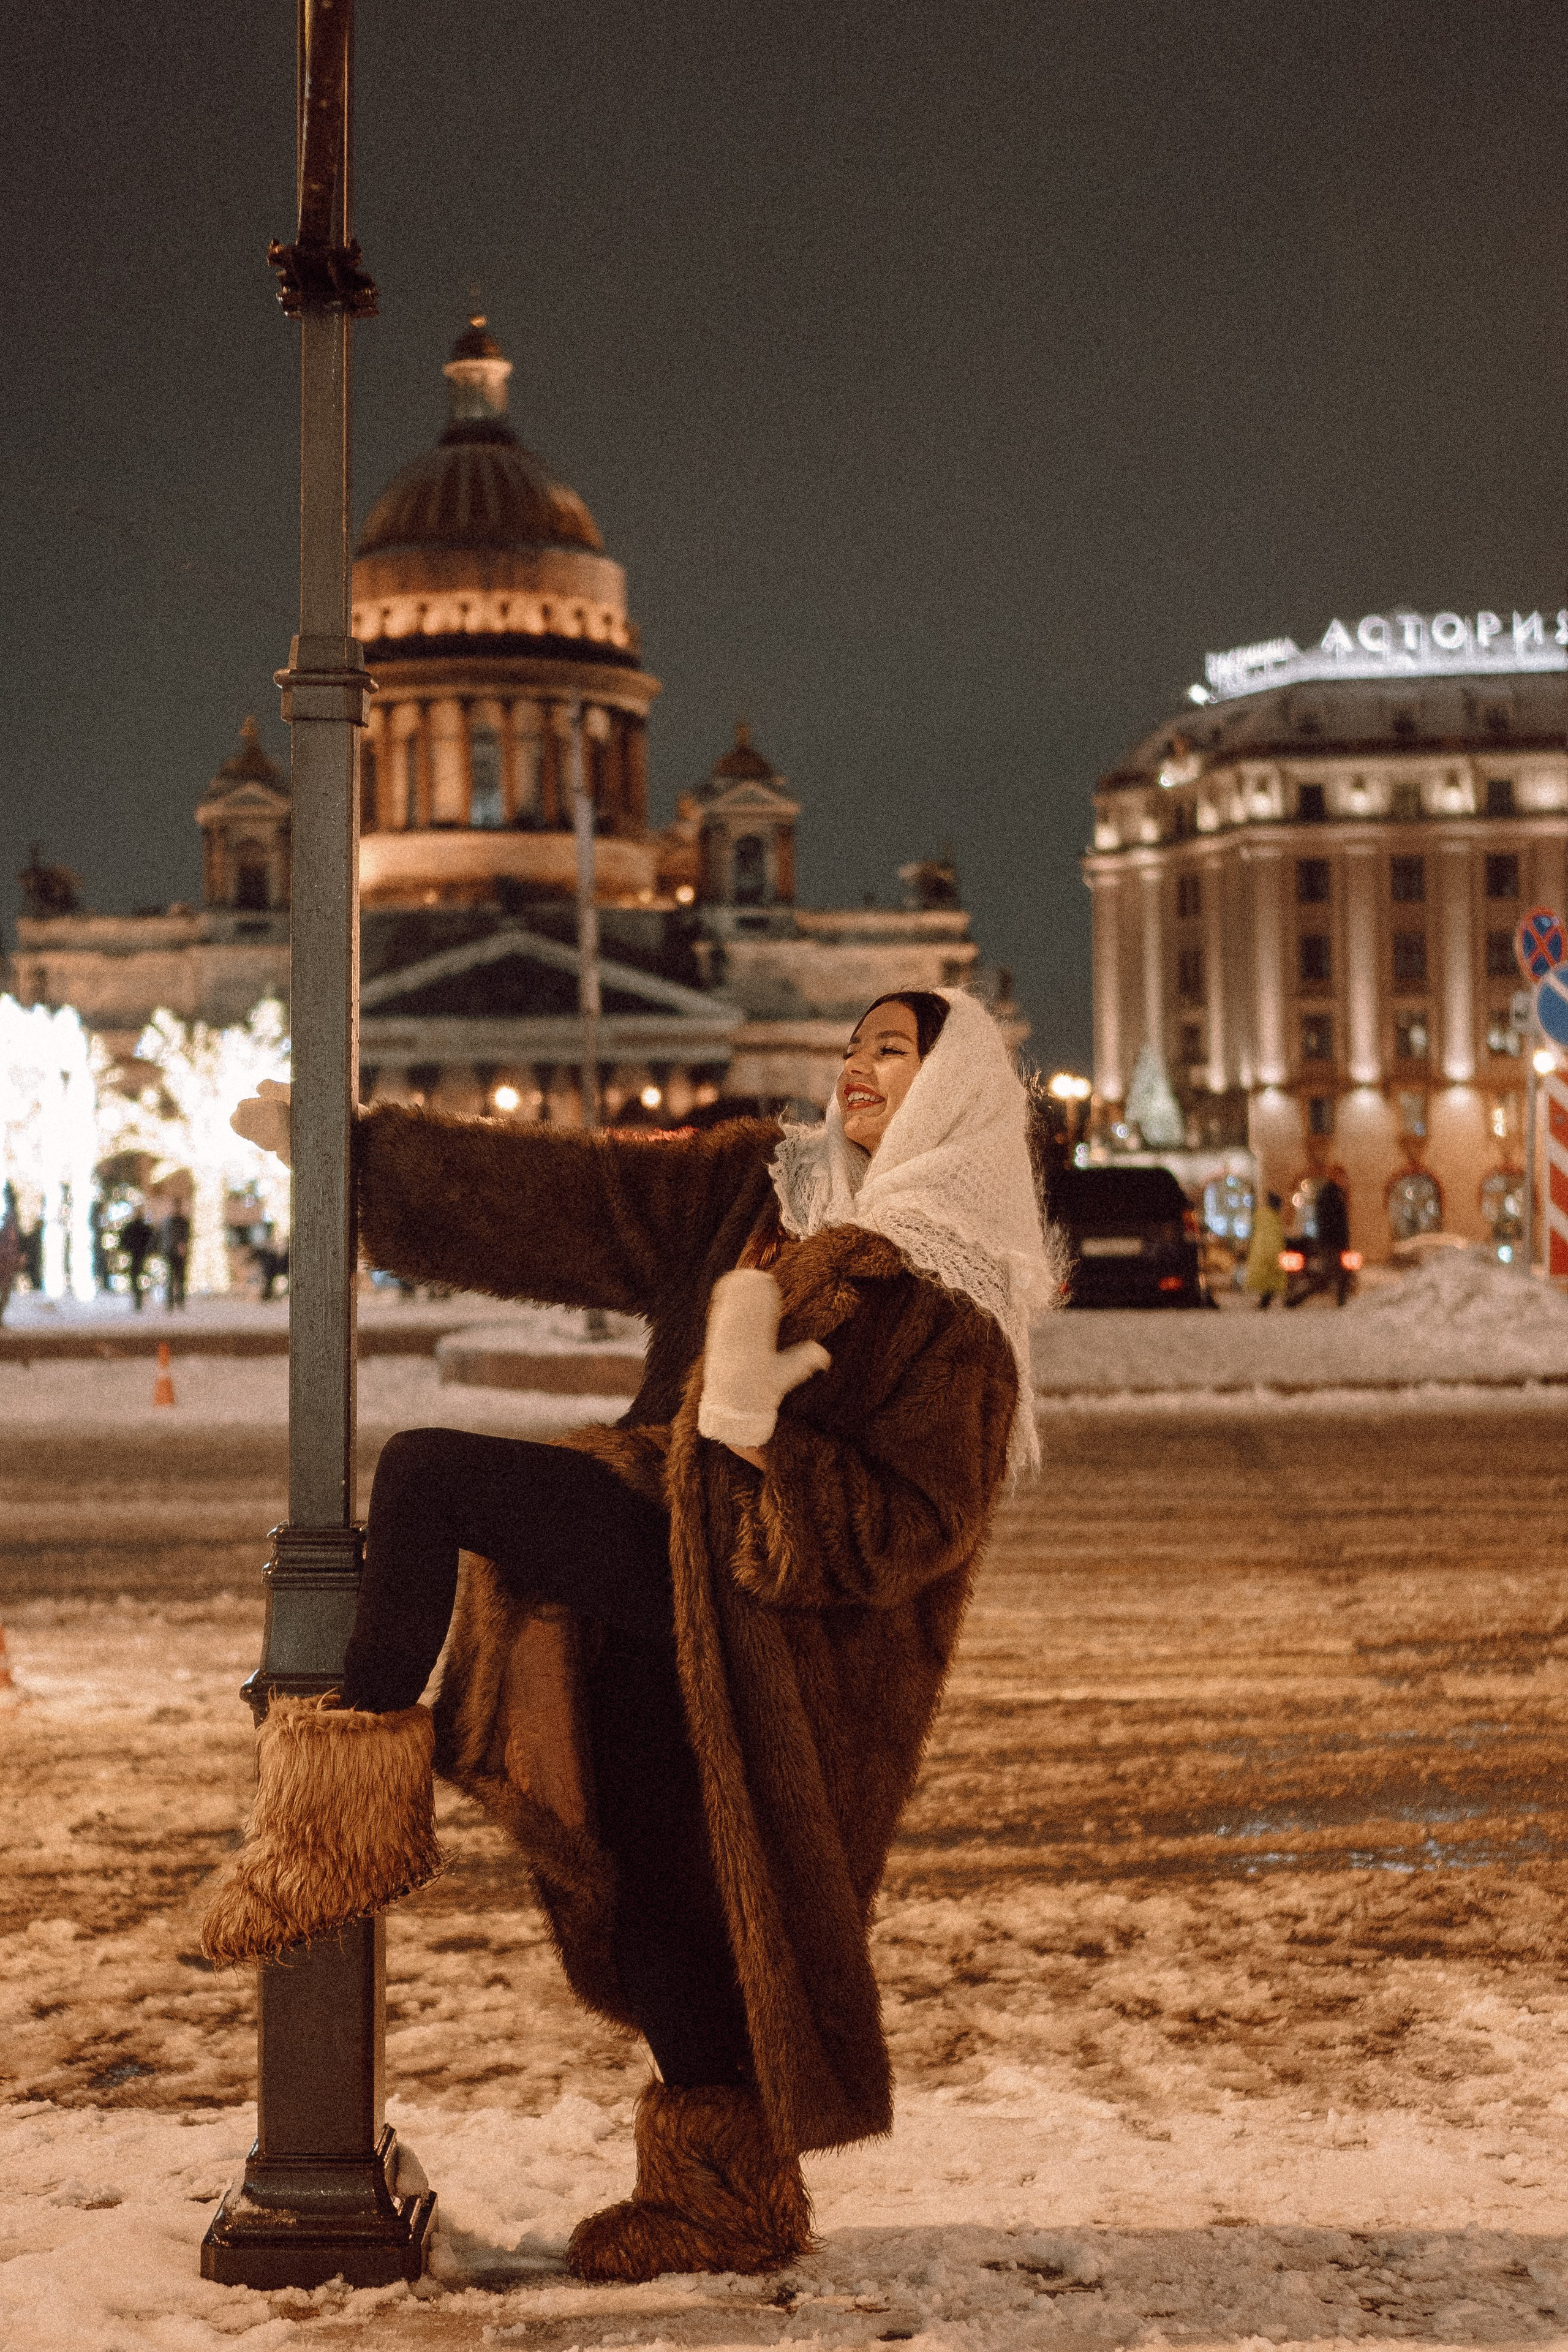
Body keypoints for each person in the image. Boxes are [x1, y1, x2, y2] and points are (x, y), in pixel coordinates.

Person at [202, 987, 1054, 2282]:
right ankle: (720, 2202)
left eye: (893, 1051)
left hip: (770, 1634)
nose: (857, 1068)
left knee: (432, 1475)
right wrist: (356, 1156)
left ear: (956, 1087)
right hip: (665, 1562)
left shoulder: (952, 1295)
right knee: (667, 1901)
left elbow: (918, 1524)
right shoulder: (755, 1191)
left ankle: (337, 1821)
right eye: (851, 1045)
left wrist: (762, 1444)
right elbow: (563, 1198)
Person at [1244, 1191, 1288, 1310]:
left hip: (1259, 1250)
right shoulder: (1275, 1218)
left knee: (1264, 1278)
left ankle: (1264, 1301)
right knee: (1273, 1277)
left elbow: (1253, 1233)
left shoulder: (1259, 1215)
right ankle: (1265, 1301)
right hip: (1273, 1251)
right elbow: (1277, 1236)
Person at [118, 1208, 154, 1311]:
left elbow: (124, 1239)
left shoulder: (132, 1227)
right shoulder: (145, 1228)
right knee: (139, 1277)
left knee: (135, 1277)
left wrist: (127, 1248)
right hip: (141, 1255)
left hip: (135, 1254)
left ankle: (138, 1300)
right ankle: (138, 1300)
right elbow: (151, 1240)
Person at [161, 1208, 190, 1310]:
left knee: (180, 1278)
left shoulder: (181, 1222)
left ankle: (179, 1300)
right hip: (171, 1253)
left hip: (178, 1253)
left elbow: (186, 1236)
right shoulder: (169, 1222)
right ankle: (171, 1301)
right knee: (171, 1277)